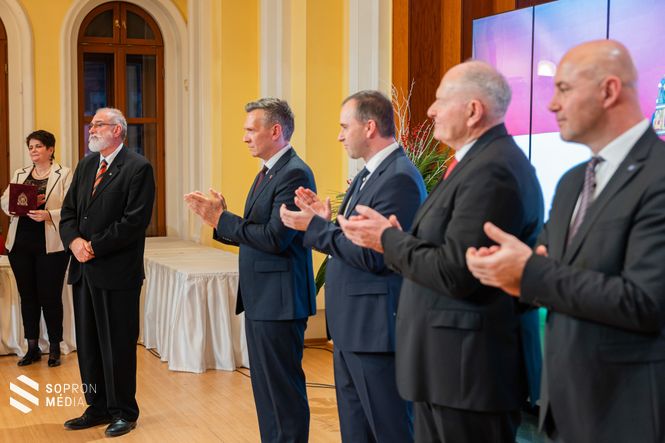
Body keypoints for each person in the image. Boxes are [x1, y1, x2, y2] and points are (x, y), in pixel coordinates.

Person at [466, 40, 665, 443]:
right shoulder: (573, 181)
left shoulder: (658, 175)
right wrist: (505, 269)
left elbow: (645, 302)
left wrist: (530, 272)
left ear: (609, 90)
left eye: (564, 88)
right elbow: (547, 264)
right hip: (566, 408)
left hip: (630, 413)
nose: (552, 104)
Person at [338, 61, 544, 442]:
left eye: (440, 100)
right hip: (450, 369)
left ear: (473, 110)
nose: (431, 110)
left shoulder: (492, 171)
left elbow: (456, 271)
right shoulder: (475, 164)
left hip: (469, 372)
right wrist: (398, 238)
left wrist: (388, 239)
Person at [280, 90, 426, 442]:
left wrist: (315, 228)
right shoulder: (369, 174)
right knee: (357, 431)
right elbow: (353, 237)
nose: (340, 136)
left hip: (375, 330)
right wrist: (324, 221)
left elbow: (375, 253)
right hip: (354, 328)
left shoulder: (399, 178)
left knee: (388, 430)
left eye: (345, 127)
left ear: (370, 127)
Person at [185, 98, 316, 443]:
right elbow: (255, 232)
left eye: (250, 130)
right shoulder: (268, 172)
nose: (244, 137)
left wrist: (222, 219)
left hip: (280, 301)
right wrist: (222, 219)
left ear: (275, 131)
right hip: (263, 299)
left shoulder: (294, 172)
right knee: (266, 390)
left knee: (282, 392)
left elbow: (275, 238)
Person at [59, 107, 155, 438]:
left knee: (117, 346)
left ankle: (123, 411)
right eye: (92, 124)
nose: (91, 129)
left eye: (98, 124)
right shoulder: (87, 165)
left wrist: (94, 246)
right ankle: (96, 406)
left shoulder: (138, 168)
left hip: (117, 273)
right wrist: (74, 242)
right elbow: (69, 211)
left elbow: (134, 222)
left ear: (117, 130)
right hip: (83, 269)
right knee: (88, 345)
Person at [0, 130, 72, 367]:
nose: (33, 150)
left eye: (38, 146)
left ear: (50, 149)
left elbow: (73, 207)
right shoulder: (20, 173)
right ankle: (32, 347)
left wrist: (49, 214)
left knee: (50, 297)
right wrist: (16, 206)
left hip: (51, 244)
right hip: (20, 243)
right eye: (30, 147)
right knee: (28, 296)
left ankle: (54, 348)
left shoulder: (64, 173)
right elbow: (5, 200)